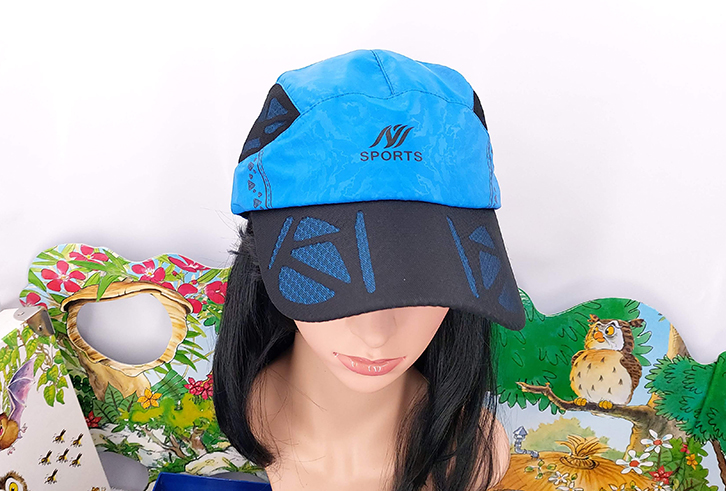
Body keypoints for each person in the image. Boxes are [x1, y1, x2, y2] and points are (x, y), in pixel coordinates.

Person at [213, 49, 526, 491]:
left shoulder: (475, 453)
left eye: (427, 272)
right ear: (259, 253)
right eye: (328, 264)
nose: (376, 334)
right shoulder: (252, 410)